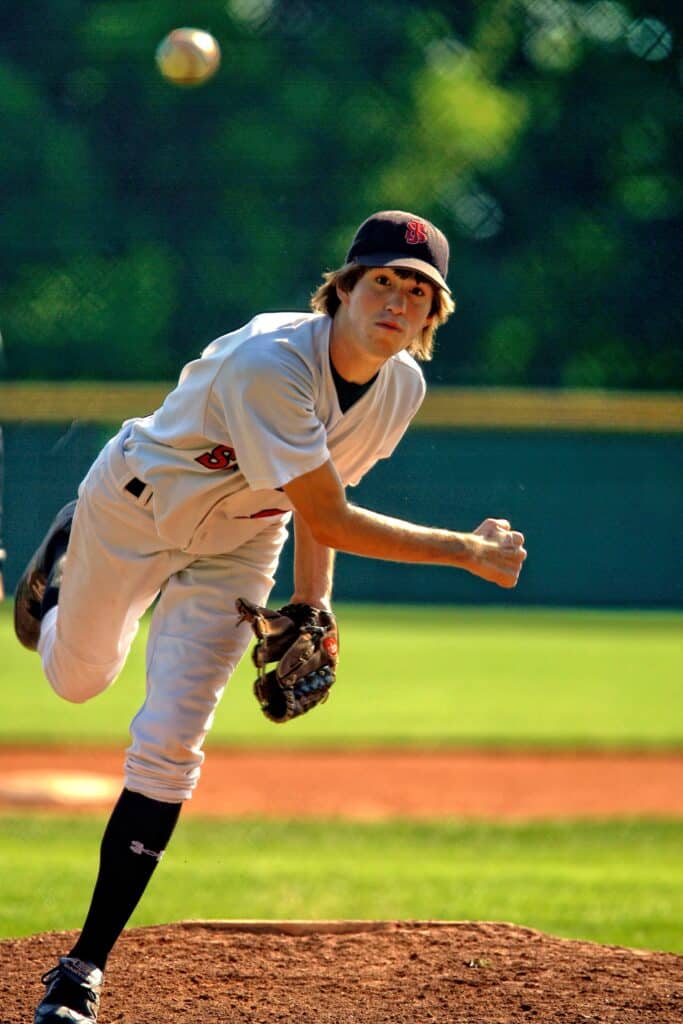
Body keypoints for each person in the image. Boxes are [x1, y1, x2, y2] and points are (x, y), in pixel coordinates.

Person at [15, 210, 526, 1023]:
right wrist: (464, 549)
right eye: (381, 280)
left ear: (433, 316)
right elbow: (329, 517)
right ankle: (60, 566)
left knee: (172, 744)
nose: (396, 298)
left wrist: (312, 605)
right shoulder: (270, 364)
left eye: (417, 289)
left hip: (241, 541)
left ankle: (82, 969)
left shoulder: (400, 388)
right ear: (343, 291)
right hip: (132, 511)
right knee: (79, 681)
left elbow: (327, 492)